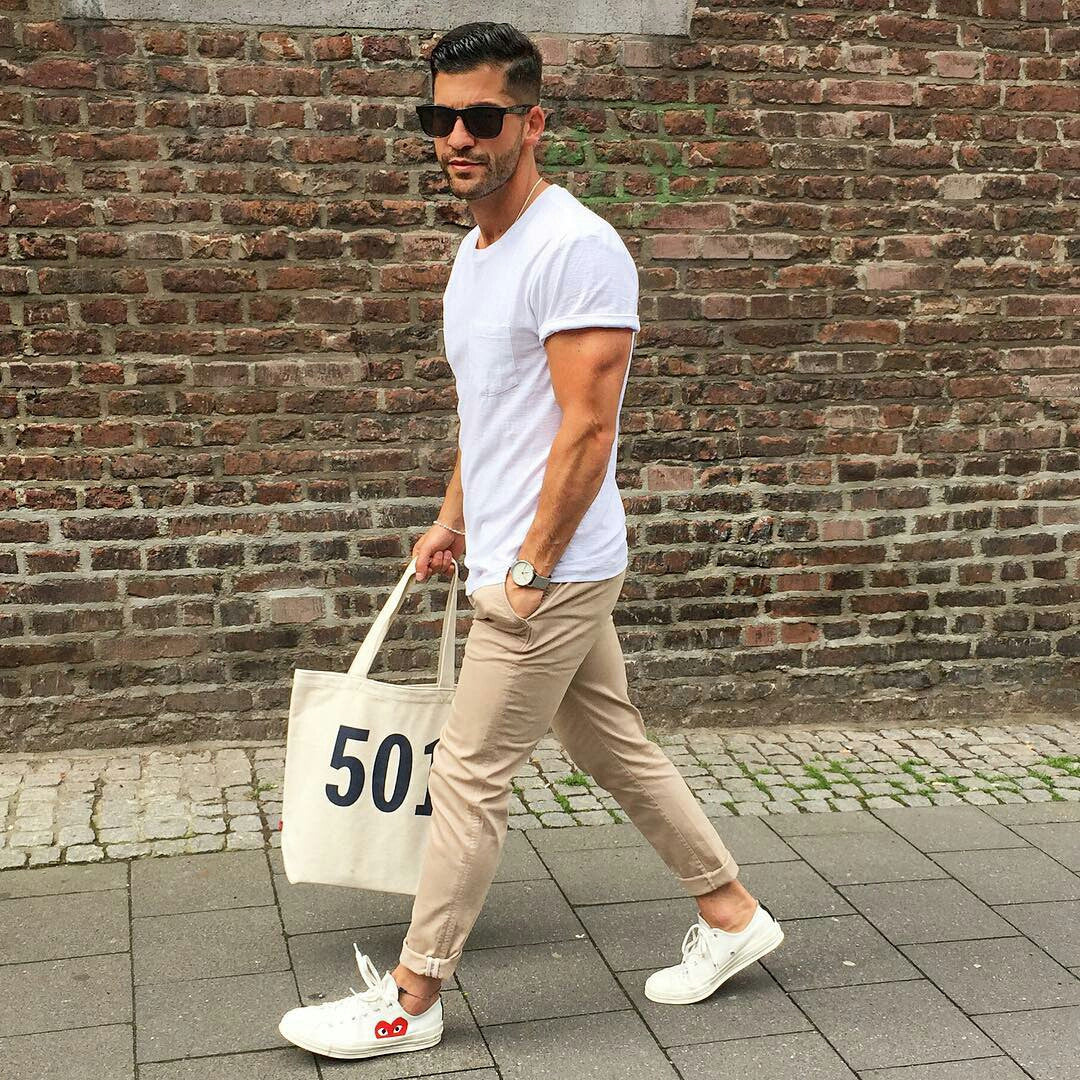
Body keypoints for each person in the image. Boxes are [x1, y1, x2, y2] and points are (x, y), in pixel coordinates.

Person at [278, 20, 783, 1062]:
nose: (458, 138)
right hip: (516, 555)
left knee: (467, 774)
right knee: (610, 743)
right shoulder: (475, 255)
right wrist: (451, 520)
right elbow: (495, 416)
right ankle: (732, 913)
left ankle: (411, 999)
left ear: (532, 121)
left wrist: (527, 570)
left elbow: (587, 428)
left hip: (549, 573)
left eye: (481, 117)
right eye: (440, 118)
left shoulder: (574, 247)